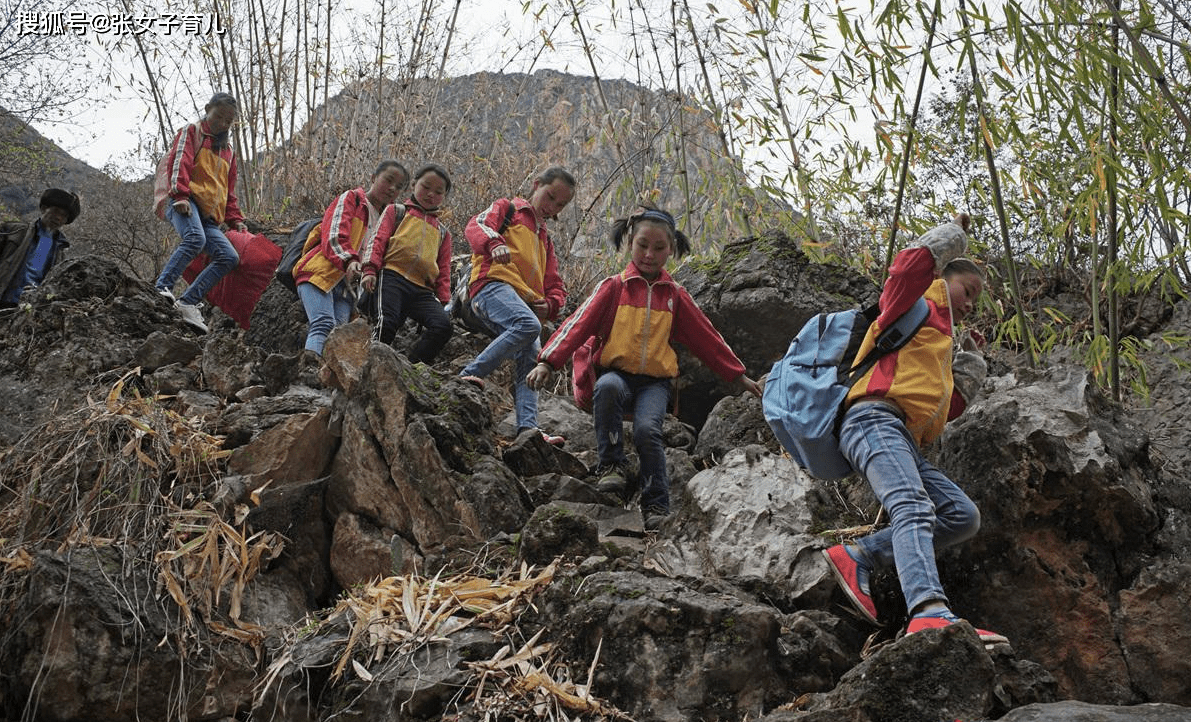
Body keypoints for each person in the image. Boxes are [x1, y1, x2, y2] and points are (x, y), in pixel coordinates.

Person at [821, 212, 1007, 644]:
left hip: (901, 435)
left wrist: (969, 363)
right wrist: (954, 236)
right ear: (945, 278)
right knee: (913, 506)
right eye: (968, 291)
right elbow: (909, 264)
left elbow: (947, 409)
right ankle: (927, 611)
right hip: (872, 418)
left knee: (962, 516)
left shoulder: (938, 343)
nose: (969, 304)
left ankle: (858, 556)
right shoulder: (912, 300)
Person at [527, 204, 762, 531]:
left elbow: (707, 338)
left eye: (659, 248)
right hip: (616, 375)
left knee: (647, 431)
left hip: (654, 383)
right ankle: (611, 466)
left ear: (671, 249)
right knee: (607, 388)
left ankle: (656, 505)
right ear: (629, 242)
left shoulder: (674, 296)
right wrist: (548, 362)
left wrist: (738, 376)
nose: (649, 254)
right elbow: (577, 325)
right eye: (642, 245)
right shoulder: (614, 288)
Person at [458, 166, 575, 446]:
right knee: (528, 325)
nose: (552, 207)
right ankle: (469, 374)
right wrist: (494, 242)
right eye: (550, 197)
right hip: (490, 285)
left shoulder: (545, 239)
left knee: (531, 354)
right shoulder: (509, 208)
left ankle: (528, 429)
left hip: (520, 301)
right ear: (536, 185)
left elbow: (555, 285)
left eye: (561, 204)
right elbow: (476, 225)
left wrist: (551, 304)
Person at [155, 92, 249, 333]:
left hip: (209, 215)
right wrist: (180, 195)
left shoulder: (228, 150)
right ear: (207, 109)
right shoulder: (193, 132)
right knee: (195, 239)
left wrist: (235, 219)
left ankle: (187, 301)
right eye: (219, 117)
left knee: (229, 257)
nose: (223, 124)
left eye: (229, 121)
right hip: (184, 201)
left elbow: (228, 190)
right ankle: (161, 288)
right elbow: (180, 162)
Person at [293, 160, 408, 356]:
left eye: (398, 187)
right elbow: (334, 235)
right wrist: (349, 260)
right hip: (320, 273)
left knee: (338, 336)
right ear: (373, 177)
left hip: (348, 291)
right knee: (323, 324)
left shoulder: (386, 221)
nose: (391, 189)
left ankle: (324, 381)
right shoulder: (352, 199)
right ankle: (308, 374)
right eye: (388, 180)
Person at [359, 163, 454, 363]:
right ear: (413, 184)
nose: (430, 194)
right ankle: (369, 365)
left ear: (444, 197)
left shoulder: (443, 232)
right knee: (387, 322)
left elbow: (444, 269)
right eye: (426, 187)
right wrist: (369, 269)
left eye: (438, 192)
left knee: (443, 326)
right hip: (392, 276)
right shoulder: (397, 211)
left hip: (422, 290)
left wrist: (443, 299)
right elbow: (378, 240)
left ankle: (413, 367)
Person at [0, 189, 81, 308]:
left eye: (64, 216)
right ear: (43, 209)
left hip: (29, 306)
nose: (58, 218)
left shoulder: (60, 250)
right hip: (5, 296)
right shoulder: (15, 231)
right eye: (55, 211)